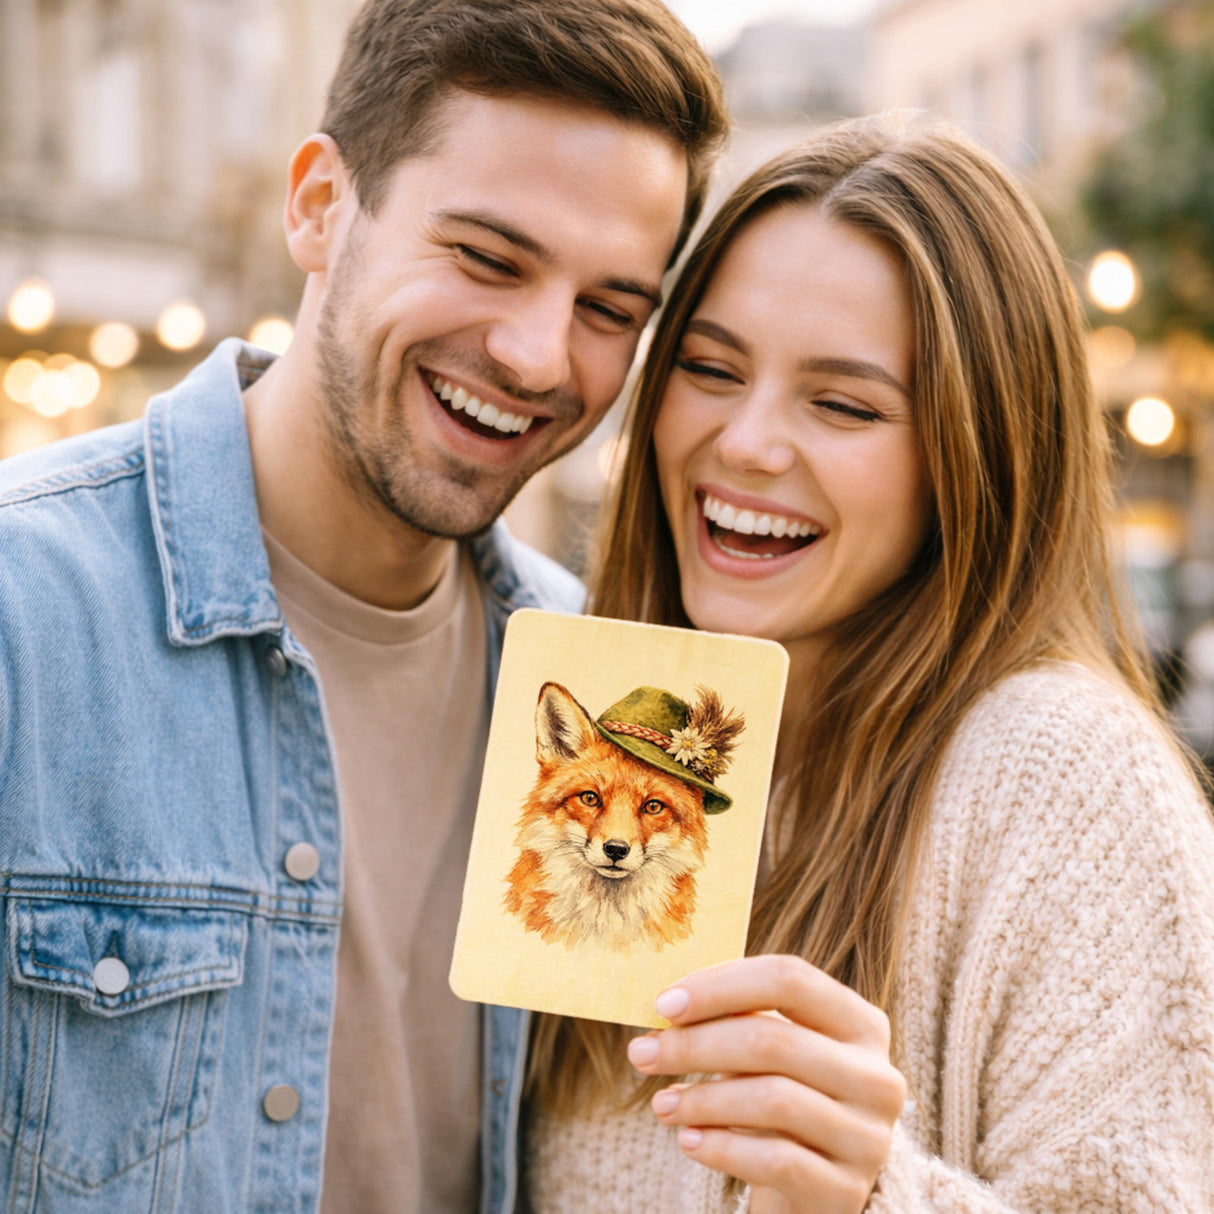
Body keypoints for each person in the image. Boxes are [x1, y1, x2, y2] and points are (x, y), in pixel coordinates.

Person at [0, 3, 727, 1212]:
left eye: (609, 308)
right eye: (487, 257)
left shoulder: (601, 689)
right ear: (319, 207)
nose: (541, 355)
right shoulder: (26, 610)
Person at [523, 114, 1214, 1212]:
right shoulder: (603, 720)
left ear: (972, 452)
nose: (745, 440)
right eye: (707, 367)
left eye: (841, 403)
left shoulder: (1066, 780)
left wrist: (870, 1193)